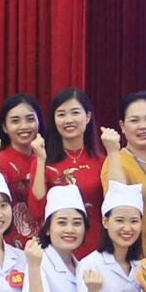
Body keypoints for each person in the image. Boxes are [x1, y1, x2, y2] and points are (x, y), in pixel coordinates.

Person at [42, 89, 109, 253]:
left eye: (75, 112)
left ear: (88, 116)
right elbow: (37, 211)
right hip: (58, 248)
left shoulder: (103, 161)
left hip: (96, 247)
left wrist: (113, 152)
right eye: (61, 114)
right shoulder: (43, 160)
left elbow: (114, 205)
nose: (68, 120)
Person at [103, 90, 146, 248]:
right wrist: (112, 151)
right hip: (134, 254)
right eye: (134, 120)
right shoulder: (116, 160)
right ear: (122, 126)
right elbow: (117, 202)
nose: (143, 126)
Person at [0, 93, 48, 246]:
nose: (24, 126)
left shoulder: (48, 157)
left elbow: (40, 210)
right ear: (4, 127)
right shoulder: (0, 161)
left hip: (48, 243)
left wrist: (40, 160)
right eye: (15, 121)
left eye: (30, 119)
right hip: (12, 245)